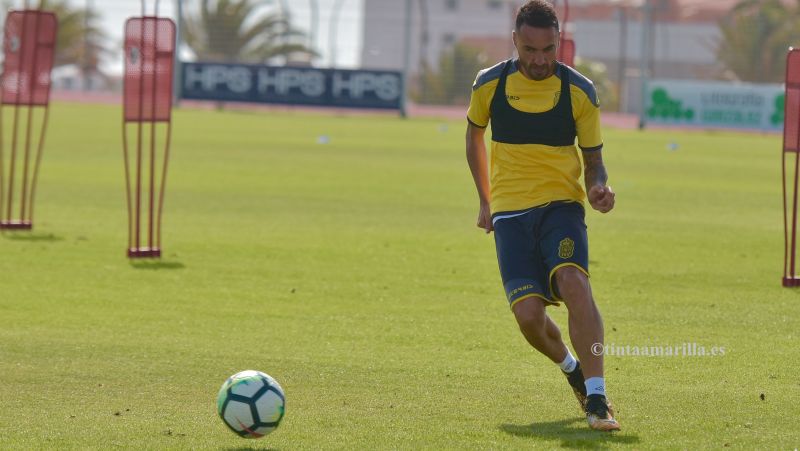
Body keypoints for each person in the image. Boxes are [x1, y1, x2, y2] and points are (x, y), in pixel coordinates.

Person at [465, 0, 619, 432]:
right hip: (510, 214)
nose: (539, 60)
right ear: (515, 41)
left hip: (561, 206)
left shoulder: (579, 91)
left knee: (574, 282)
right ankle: (572, 369)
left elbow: (594, 160)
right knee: (529, 318)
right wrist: (485, 200)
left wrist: (598, 188)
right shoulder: (489, 84)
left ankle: (597, 396)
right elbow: (473, 137)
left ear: (559, 42)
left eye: (548, 49)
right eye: (530, 49)